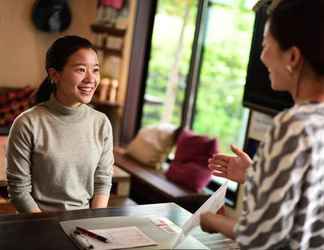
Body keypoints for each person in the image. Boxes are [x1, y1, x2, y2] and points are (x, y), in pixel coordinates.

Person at [200, 0, 324, 249]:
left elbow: (262, 236)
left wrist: (210, 220)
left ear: (293, 57)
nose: (262, 56)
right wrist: (255, 174)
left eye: (267, 44)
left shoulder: (292, 126)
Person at [6, 35, 114, 213]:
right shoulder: (27, 123)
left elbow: (103, 180)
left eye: (95, 70)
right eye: (81, 70)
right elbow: (19, 191)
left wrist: (94, 220)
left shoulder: (101, 123)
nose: (90, 79)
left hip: (85, 227)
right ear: (54, 74)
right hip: (38, 225)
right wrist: (47, 228)